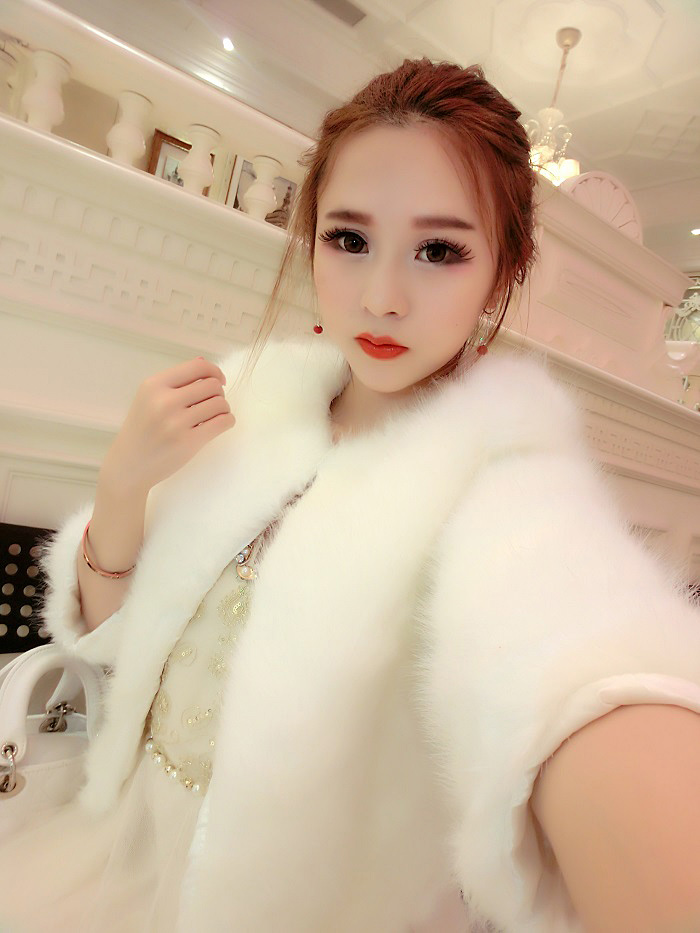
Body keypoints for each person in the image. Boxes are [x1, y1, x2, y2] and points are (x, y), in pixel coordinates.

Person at [1, 57, 700, 933]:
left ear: (503, 268)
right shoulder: (244, 401)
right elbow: (119, 645)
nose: (382, 297)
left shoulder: (503, 483)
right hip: (121, 848)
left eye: (439, 250)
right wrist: (123, 486)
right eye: (349, 239)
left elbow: (582, 662)